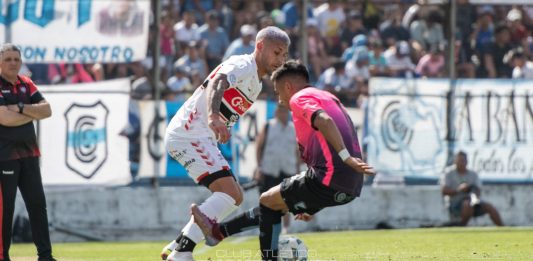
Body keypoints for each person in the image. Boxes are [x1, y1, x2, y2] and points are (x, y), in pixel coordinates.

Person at [191, 60, 375, 260]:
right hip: (350, 185)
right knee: (273, 204)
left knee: (267, 201)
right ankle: (217, 233)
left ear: (288, 87)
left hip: (330, 177)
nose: (279, 100)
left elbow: (325, 121)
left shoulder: (299, 97)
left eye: (279, 93)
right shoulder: (329, 97)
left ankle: (223, 235)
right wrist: (313, 204)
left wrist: (346, 157)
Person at [161, 26, 290, 261]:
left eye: (284, 55)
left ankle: (181, 245)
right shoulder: (243, 65)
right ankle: (182, 252)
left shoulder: (257, 84)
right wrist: (212, 117)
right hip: (190, 134)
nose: (280, 60)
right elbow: (217, 82)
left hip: (198, 137)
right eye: (276, 52)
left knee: (233, 196)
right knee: (230, 194)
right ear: (260, 46)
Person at [0, 44, 55, 261]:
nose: (13, 63)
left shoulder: (26, 83)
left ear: (21, 62)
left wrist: (21, 108)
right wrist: (33, 112)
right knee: (6, 210)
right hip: (4, 157)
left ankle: (46, 255)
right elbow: (4, 118)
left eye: (16, 59)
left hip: (30, 154)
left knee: (37, 205)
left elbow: (48, 110)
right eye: (8, 59)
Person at [254, 105, 299, 233]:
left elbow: (297, 152)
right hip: (269, 169)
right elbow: (259, 147)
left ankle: (286, 229)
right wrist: (259, 168)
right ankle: (266, 227)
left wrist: (297, 170)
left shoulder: (293, 129)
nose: (282, 113)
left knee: (286, 201)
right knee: (266, 200)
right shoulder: (268, 126)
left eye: (284, 110)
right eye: (280, 110)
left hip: (288, 169)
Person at [441, 151, 503, 227]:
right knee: (467, 204)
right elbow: (444, 191)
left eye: (464, 160)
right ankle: (462, 226)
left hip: (473, 202)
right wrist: (459, 190)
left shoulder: (473, 174)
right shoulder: (448, 173)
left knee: (489, 207)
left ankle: (503, 228)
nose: (462, 163)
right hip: (455, 204)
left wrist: (473, 194)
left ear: (467, 162)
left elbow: (478, 190)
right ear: (455, 161)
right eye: (460, 160)